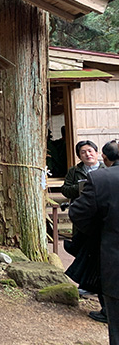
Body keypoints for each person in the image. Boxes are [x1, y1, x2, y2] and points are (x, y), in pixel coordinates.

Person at [70, 140, 119, 343]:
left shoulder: (101, 178)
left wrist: (100, 233)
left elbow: (78, 213)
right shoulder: (83, 173)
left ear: (103, 157)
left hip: (114, 260)